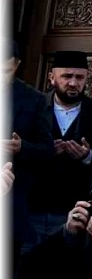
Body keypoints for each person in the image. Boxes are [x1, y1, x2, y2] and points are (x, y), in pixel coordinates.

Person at [28, 50, 92, 249]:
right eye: (67, 76)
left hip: (74, 213)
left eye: (79, 77)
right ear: (52, 78)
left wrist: (87, 156)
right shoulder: (32, 108)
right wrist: (43, 151)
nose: (73, 83)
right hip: (31, 210)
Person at [4, 40, 54, 263]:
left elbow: (47, 150)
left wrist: (21, 147)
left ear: (16, 66)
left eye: (6, 70)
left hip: (11, 203)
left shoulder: (33, 99)